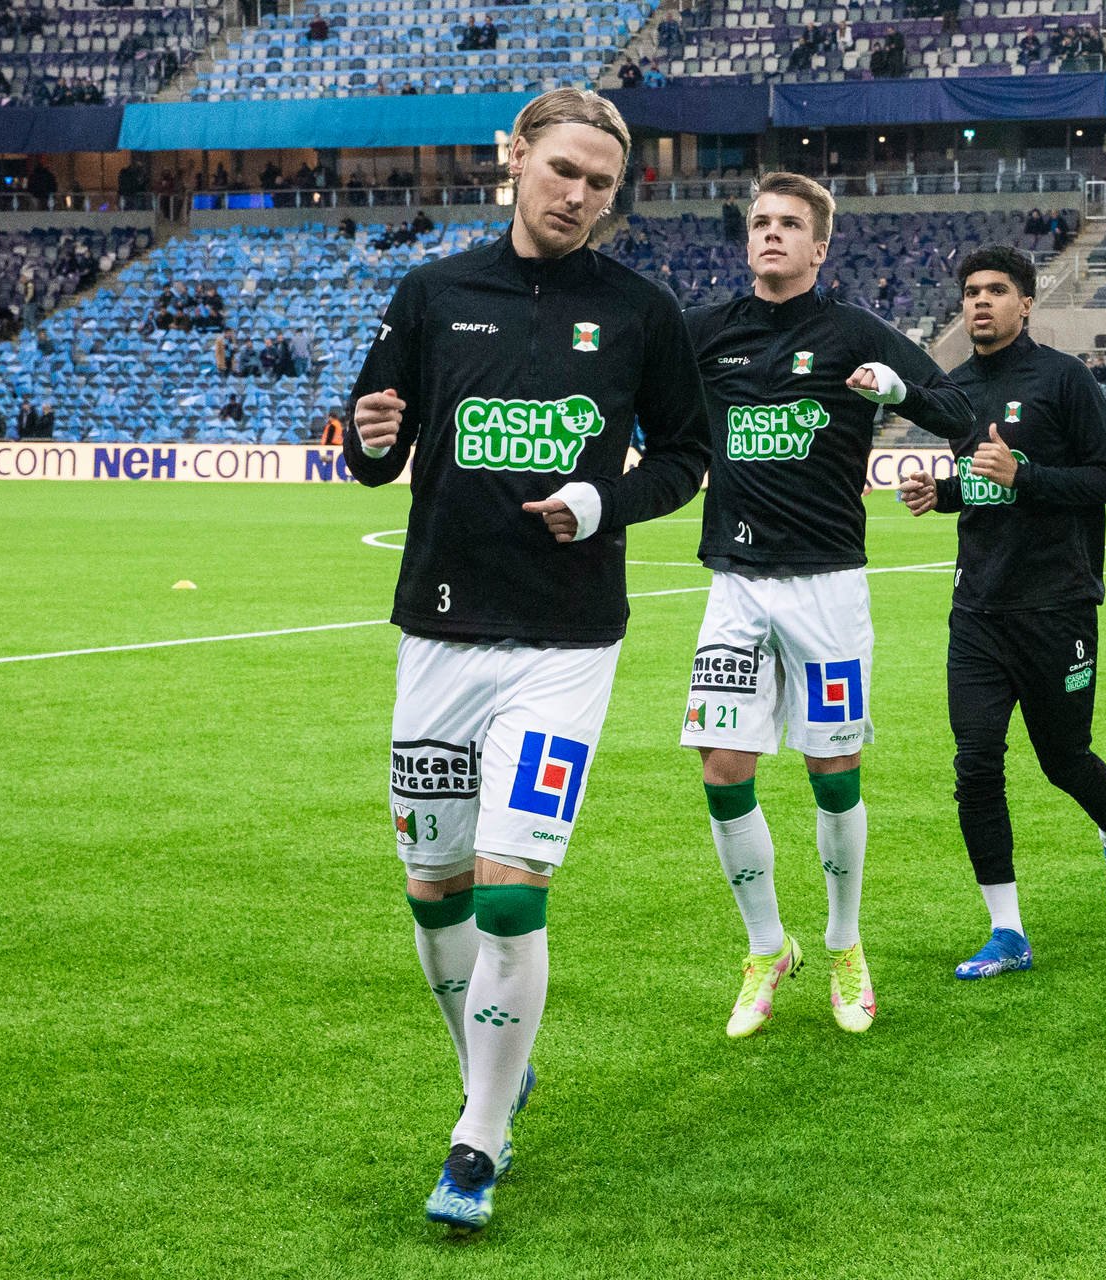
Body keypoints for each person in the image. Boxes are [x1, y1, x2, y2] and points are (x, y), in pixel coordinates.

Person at [342, 88, 713, 1235]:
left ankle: (480, 1134)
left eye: (603, 184)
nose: (582, 197)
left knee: (510, 891)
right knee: (435, 888)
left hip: (565, 643)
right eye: (564, 171)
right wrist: (364, 438)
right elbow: (377, 445)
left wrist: (604, 496)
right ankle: (496, 1067)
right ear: (516, 160)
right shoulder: (433, 292)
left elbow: (688, 455)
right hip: (441, 636)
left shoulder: (643, 311)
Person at [675, 171, 974, 1040]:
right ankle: (768, 949)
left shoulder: (855, 334)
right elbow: (627, 373)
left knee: (830, 773)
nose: (769, 234)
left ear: (820, 245)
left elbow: (958, 410)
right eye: (760, 222)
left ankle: (845, 946)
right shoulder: (707, 334)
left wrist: (898, 393)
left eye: (789, 224)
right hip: (734, 583)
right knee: (722, 769)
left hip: (828, 589)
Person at [894, 244, 1106, 977]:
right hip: (978, 609)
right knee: (975, 765)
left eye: (996, 290)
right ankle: (1007, 932)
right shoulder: (955, 389)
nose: (980, 302)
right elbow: (984, 482)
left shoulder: (1063, 380)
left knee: (1064, 760)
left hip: (1057, 606)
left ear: (1027, 303)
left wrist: (1025, 473)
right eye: (971, 290)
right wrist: (942, 492)